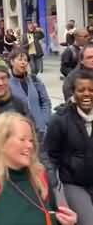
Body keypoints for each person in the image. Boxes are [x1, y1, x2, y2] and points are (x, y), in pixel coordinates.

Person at [0, 112, 78, 225]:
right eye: (22, 139)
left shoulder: (40, 176)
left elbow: (50, 216)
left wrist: (65, 222)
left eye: (31, 140)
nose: (30, 145)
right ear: (1, 143)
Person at [46, 70, 93, 225]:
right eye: (81, 90)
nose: (87, 94)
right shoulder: (60, 120)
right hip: (74, 183)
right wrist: (54, 186)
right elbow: (49, 156)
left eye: (91, 90)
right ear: (73, 93)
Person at [8, 48, 53, 179]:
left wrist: (44, 121)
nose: (23, 63)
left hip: (40, 133)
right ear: (11, 62)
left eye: (26, 60)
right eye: (20, 59)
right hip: (20, 135)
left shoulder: (34, 80)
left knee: (45, 169)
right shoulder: (7, 84)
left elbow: (45, 102)